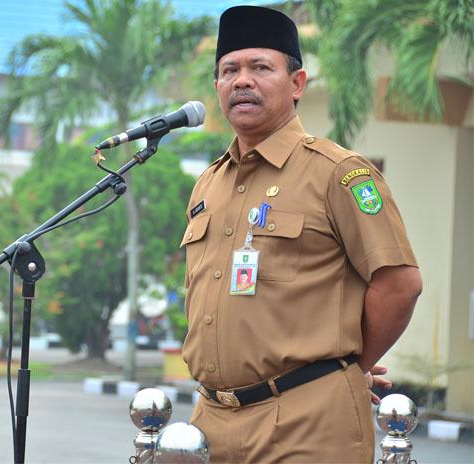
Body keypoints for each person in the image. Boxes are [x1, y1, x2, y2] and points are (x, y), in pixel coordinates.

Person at [180, 6, 422, 463]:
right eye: (229, 70)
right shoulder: (209, 183)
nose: (242, 81)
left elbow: (399, 284)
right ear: (216, 87)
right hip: (211, 419)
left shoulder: (338, 173)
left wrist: (349, 366)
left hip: (306, 422)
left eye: (260, 68)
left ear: (297, 84)